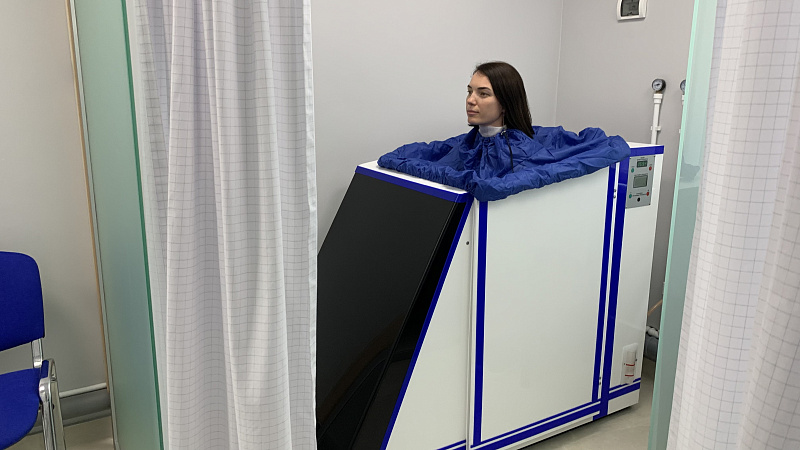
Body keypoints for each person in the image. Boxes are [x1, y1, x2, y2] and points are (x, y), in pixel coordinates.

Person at [378, 62, 629, 201]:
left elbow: (607, 146)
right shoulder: (467, 145)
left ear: (506, 103)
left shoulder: (523, 151)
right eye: (470, 91)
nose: (470, 100)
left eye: (483, 94)